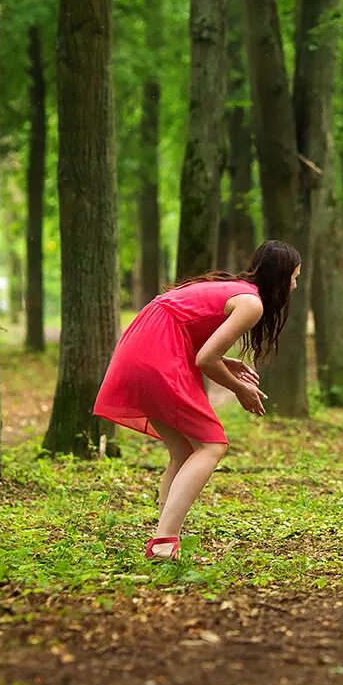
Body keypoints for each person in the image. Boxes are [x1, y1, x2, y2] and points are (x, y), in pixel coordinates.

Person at [94, 240, 302, 561]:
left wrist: (226, 362)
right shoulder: (252, 303)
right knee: (212, 445)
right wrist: (239, 388)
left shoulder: (235, 288)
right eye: (295, 277)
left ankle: (163, 540)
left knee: (183, 452)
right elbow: (207, 359)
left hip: (141, 345)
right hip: (158, 352)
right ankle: (164, 542)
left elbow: (192, 331)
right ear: (282, 276)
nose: (295, 285)